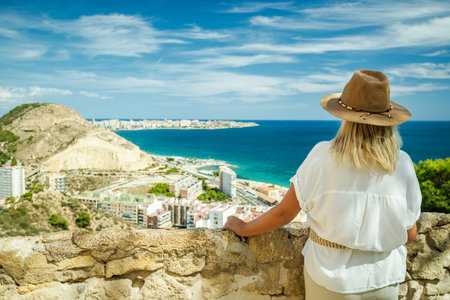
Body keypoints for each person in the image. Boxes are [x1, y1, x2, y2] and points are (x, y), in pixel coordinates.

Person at [223, 70, 422, 299]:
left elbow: (284, 213)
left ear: (346, 119)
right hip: (384, 279)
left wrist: (244, 228)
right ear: (388, 122)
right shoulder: (403, 163)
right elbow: (409, 233)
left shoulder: (322, 155)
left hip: (332, 279)